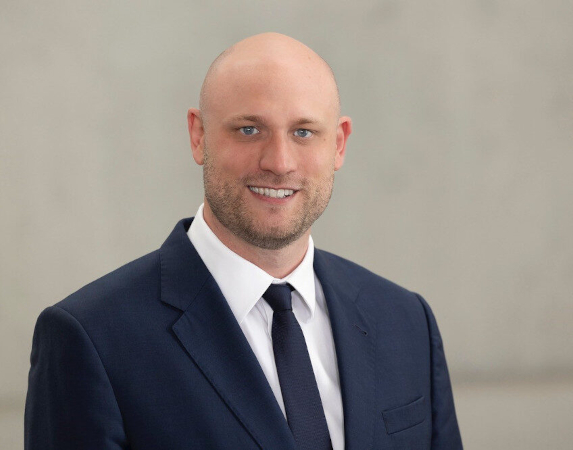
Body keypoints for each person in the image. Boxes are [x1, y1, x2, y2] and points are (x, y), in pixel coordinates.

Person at [25, 33, 462, 450]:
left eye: (303, 132)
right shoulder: (92, 338)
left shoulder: (406, 322)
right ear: (198, 136)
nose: (279, 162)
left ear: (339, 144)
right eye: (249, 129)